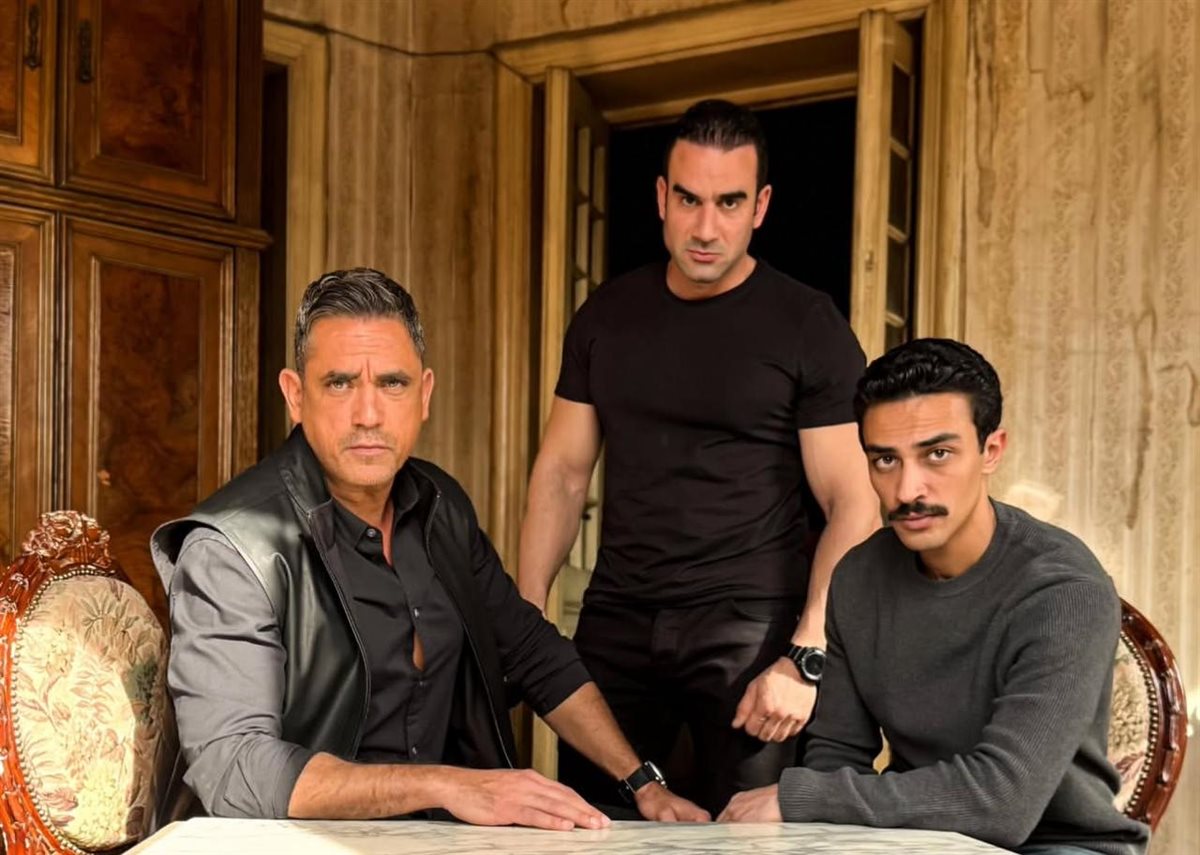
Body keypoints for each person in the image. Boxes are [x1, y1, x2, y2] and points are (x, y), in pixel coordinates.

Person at [151, 269, 708, 828]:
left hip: (439, 837)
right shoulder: (232, 549)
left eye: (392, 383)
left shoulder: (440, 507)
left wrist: (641, 782)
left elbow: (533, 653)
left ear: (424, 395)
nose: (368, 415)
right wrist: (448, 785)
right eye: (339, 383)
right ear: (296, 396)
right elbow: (235, 770)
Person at [517, 99, 880, 815]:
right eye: (688, 199)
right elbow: (561, 474)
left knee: (748, 835)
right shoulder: (606, 317)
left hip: (751, 629)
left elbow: (854, 500)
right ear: (661, 197)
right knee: (589, 829)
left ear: (761, 206)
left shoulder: (807, 323)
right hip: (619, 619)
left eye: (729, 202)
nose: (706, 227)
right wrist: (527, 617)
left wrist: (807, 652)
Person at [719, 338, 1150, 855]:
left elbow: (1001, 804)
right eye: (885, 460)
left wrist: (800, 797)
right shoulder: (858, 577)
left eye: (937, 454)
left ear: (991, 451)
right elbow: (836, 757)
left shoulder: (1063, 589)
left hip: (1057, 844)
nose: (907, 491)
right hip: (916, 839)